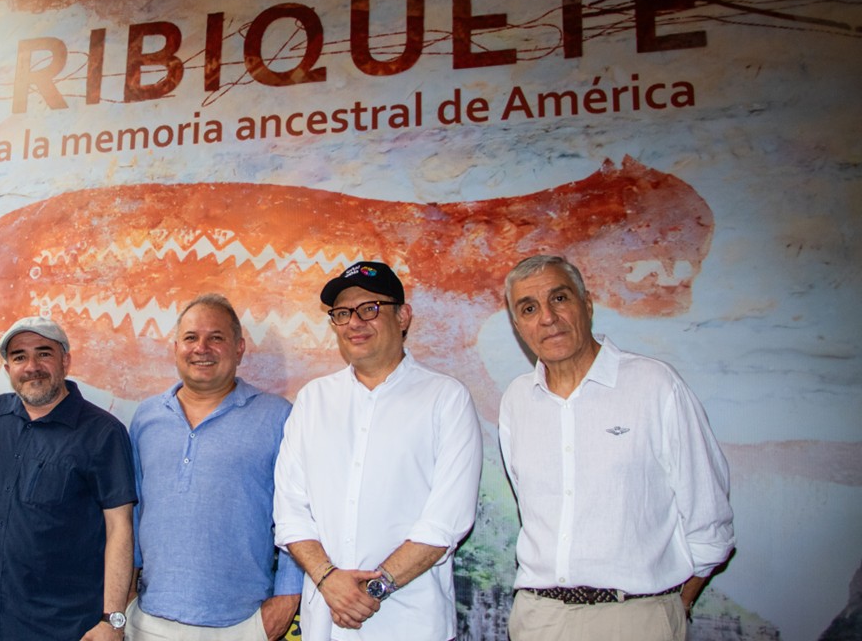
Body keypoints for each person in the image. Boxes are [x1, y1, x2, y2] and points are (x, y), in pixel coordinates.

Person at [498, 255, 735, 641]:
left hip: (636, 618)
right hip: (538, 619)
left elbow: (710, 520)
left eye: (559, 299)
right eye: (529, 308)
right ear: (518, 325)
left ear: (586, 304)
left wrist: (669, 608)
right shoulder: (517, 401)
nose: (547, 317)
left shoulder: (654, 385)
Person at [273, 261, 483, 641]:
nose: (354, 322)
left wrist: (373, 589)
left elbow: (446, 522)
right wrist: (327, 579)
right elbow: (290, 512)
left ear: (403, 316)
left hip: (412, 626)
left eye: (369, 309)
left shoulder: (445, 398)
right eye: (342, 313)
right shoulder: (313, 400)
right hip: (326, 624)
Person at [128, 293, 302, 641]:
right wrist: (127, 598)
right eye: (191, 338)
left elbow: (298, 512)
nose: (201, 348)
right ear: (176, 347)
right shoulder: (147, 417)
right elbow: (131, 514)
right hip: (148, 620)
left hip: (243, 623)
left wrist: (287, 599)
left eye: (216, 338)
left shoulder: (278, 417)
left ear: (239, 348)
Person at [0, 316, 137, 641]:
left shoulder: (104, 434)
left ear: (66, 361)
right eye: (19, 357)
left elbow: (121, 528)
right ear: (7, 369)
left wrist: (112, 620)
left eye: (44, 353)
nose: (32, 366)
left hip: (66, 628)